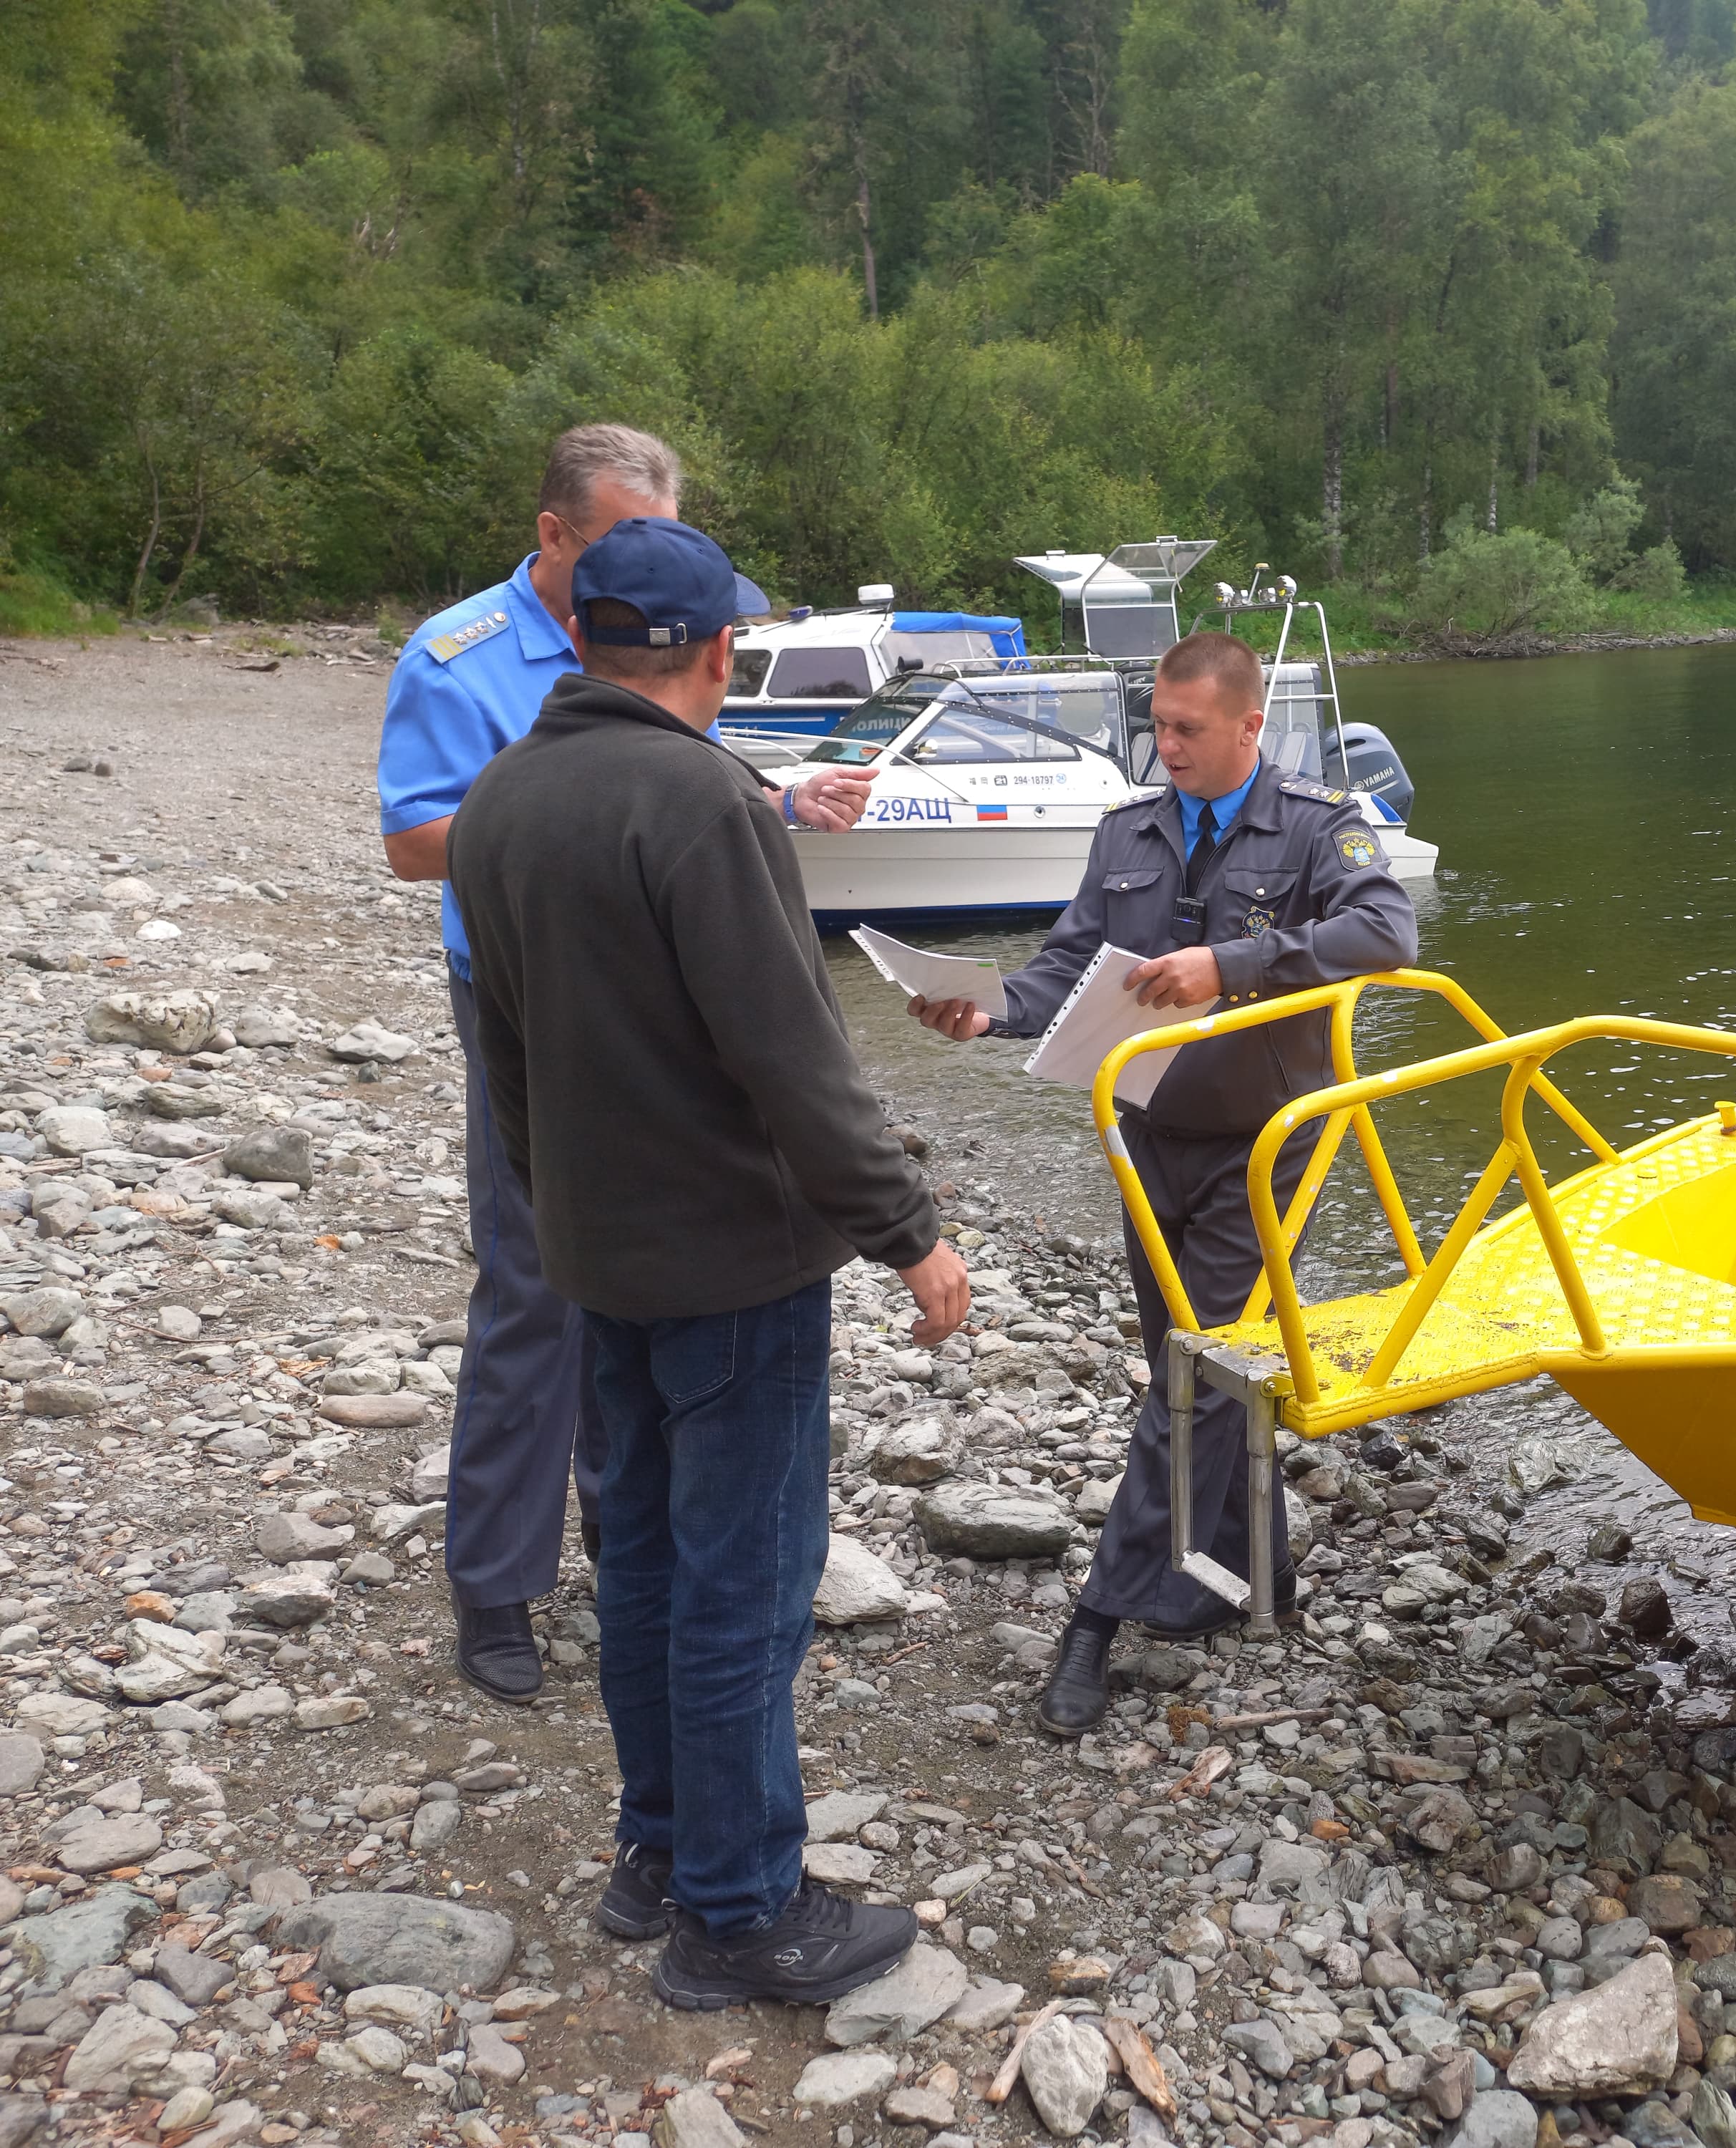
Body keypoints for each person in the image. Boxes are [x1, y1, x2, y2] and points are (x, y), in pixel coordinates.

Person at [447, 515, 971, 2010]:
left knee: (653, 1570)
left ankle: (661, 1852)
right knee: (744, 1581)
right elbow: (791, 1055)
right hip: (734, 1269)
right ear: (715, 652)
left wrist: (563, 1221)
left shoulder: (501, 800)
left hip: (600, 1259)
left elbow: (508, 1064)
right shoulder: (702, 800)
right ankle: (740, 1915)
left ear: (584, 634)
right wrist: (909, 1233)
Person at [376, 424, 874, 1707]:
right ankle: (494, 1584)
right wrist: (559, 820)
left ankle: (623, 1544)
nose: (637, 561)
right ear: (552, 536)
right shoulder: (460, 654)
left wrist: (781, 803)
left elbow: (675, 795)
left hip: (657, 992)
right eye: (611, 540)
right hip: (530, 993)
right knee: (535, 1277)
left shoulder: (653, 639)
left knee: (635, 1281)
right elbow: (415, 836)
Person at [907, 631, 1416, 1736]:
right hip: (1146, 1136)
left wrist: (1231, 966)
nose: (1167, 748)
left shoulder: (1323, 824)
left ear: (1249, 728)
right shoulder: (1126, 831)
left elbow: (1387, 931)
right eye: (1159, 727)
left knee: (1195, 1373)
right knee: (1189, 1374)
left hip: (1268, 1142)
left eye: (1188, 730)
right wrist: (989, 1006)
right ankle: (1246, 1574)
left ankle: (1101, 1612)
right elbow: (1068, 964)